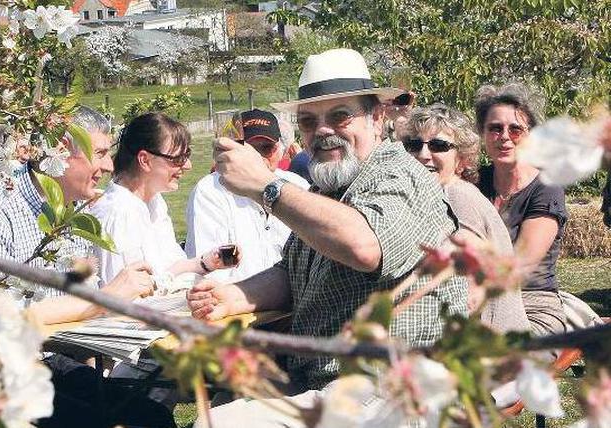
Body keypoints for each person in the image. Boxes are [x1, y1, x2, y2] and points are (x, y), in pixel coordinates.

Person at [186, 48, 468, 397]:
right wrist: (231, 297)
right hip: (326, 380)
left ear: (377, 119)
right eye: (308, 121)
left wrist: (265, 186)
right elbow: (292, 273)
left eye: (340, 117)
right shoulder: (330, 189)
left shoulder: (401, 174)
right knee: (225, 396)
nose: (323, 131)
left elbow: (364, 247)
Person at [0, 106, 174, 428]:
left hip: (43, 359)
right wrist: (106, 298)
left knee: (152, 417)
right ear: (61, 150)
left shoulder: (71, 211)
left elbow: (78, 305)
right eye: (100, 153)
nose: (108, 165)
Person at [402, 103, 529, 333]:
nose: (423, 155)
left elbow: (469, 295)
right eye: (414, 145)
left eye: (438, 146)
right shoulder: (441, 194)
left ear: (462, 159)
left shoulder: (456, 196)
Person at [91, 112, 232, 288]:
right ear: (145, 160)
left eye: (187, 155)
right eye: (178, 158)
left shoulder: (154, 202)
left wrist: (207, 262)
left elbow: (169, 269)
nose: (188, 165)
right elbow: (123, 297)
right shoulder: (118, 213)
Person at [474, 83, 569, 337]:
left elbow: (519, 267)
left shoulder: (546, 188)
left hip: (532, 307)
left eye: (515, 129)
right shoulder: (473, 182)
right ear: (482, 134)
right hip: (474, 305)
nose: (504, 136)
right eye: (495, 128)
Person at [186, 109, 309, 282]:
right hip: (235, 303)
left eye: (266, 148)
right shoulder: (210, 190)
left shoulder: (299, 186)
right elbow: (211, 272)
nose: (257, 158)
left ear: (281, 149)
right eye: (249, 150)